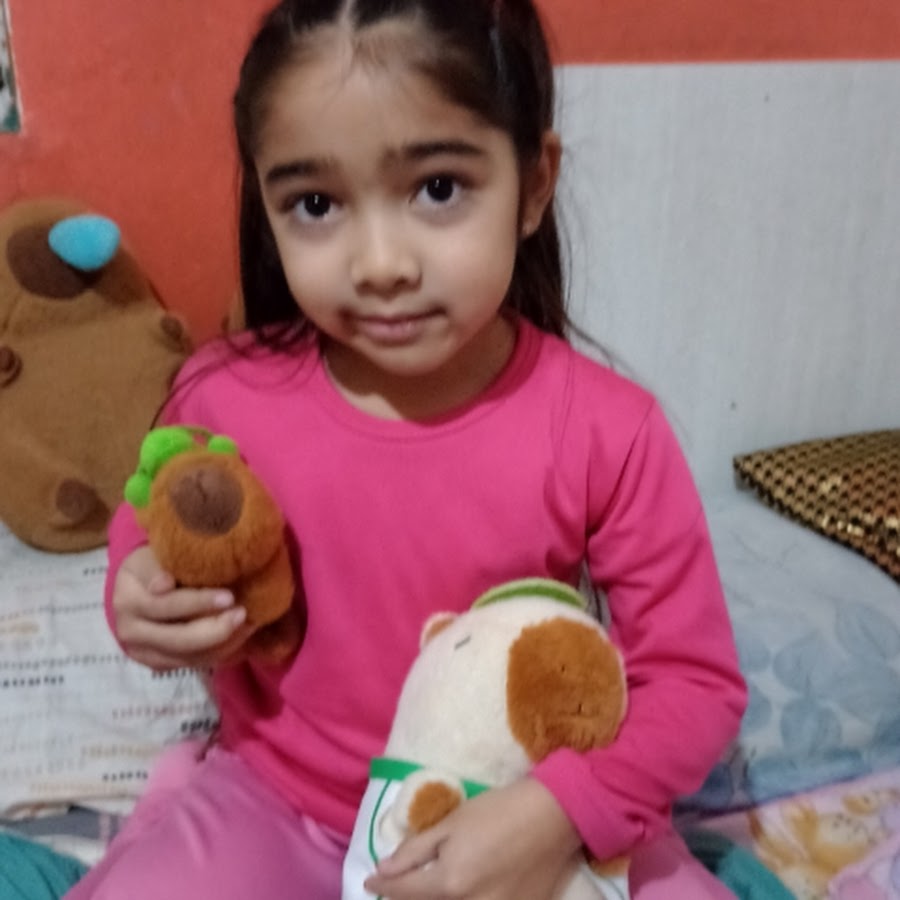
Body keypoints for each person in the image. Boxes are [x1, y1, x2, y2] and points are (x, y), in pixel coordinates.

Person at [66, 1, 747, 898]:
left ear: (534, 184)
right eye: (315, 204)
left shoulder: (607, 430)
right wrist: (140, 590)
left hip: (522, 816)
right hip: (282, 804)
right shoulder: (224, 395)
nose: (381, 263)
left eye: (438, 188)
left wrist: (558, 812)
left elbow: (693, 682)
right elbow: (157, 519)